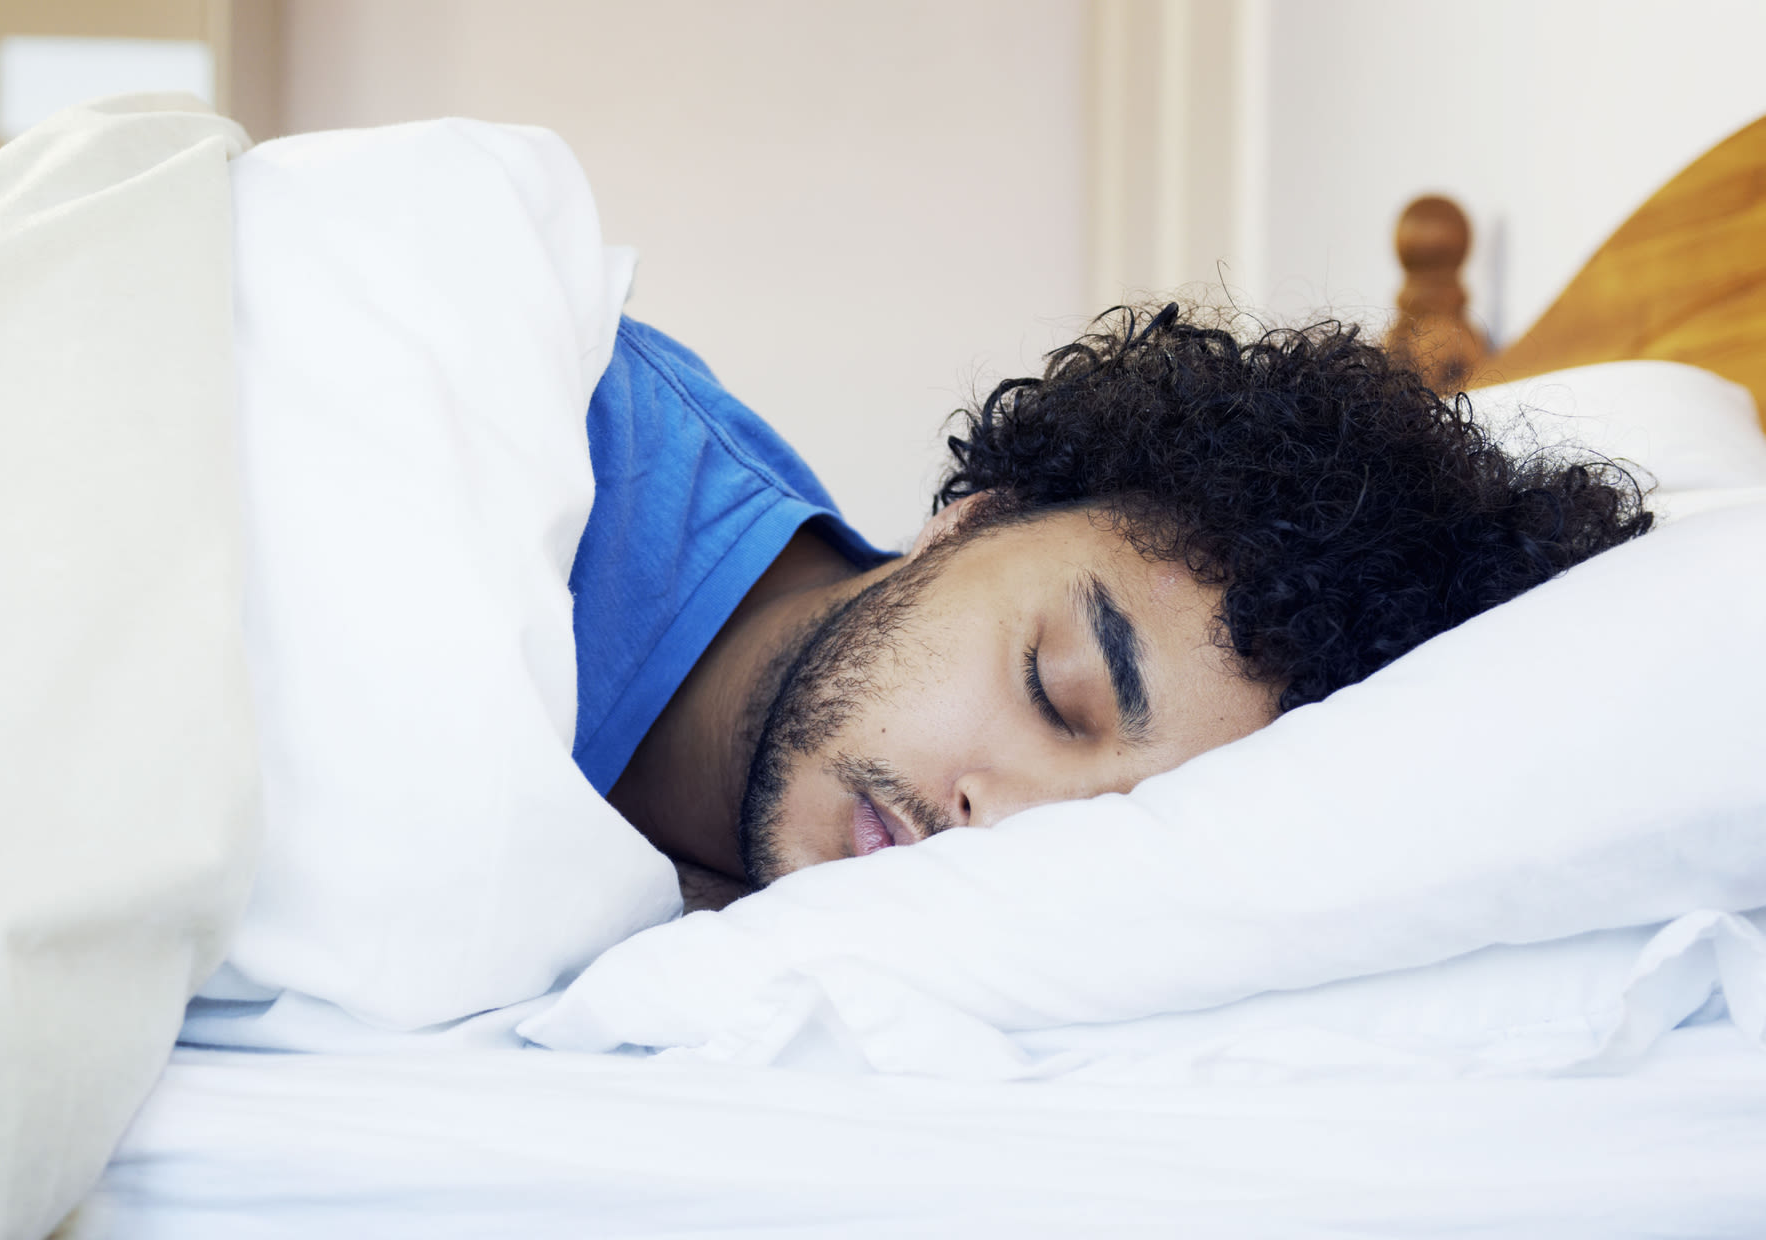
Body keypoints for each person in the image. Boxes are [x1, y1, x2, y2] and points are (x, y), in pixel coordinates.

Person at [576, 302, 1650, 907]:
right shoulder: (562, 443)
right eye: (1052, 690)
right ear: (971, 521)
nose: (996, 824)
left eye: (1112, 828)